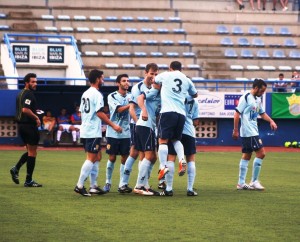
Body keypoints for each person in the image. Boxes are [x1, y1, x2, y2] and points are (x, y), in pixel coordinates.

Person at [74, 69, 122, 196]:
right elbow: (99, 112)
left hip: (86, 129)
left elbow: (81, 112)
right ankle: (79, 185)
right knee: (91, 158)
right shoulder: (97, 94)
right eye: (102, 78)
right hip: (92, 131)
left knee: (97, 156)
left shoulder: (85, 93)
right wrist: (113, 125)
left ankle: (93, 186)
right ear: (97, 79)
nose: (103, 80)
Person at [154, 61, 198, 196]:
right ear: (181, 68)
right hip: (182, 116)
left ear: (170, 68)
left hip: (168, 112)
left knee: (163, 140)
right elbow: (195, 94)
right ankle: (182, 160)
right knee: (175, 139)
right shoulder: (186, 79)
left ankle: (162, 167)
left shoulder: (166, 75)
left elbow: (154, 80)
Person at [118, 63, 159, 193]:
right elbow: (131, 108)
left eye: (156, 74)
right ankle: (125, 183)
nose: (153, 76)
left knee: (148, 155)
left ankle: (143, 183)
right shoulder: (138, 87)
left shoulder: (154, 87)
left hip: (146, 123)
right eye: (151, 74)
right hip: (138, 123)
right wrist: (138, 122)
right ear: (145, 73)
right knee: (136, 153)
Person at [233, 78, 277, 190]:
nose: (262, 93)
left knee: (247, 155)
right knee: (261, 153)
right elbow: (237, 114)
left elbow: (262, 114)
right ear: (256, 88)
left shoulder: (257, 99)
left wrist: (271, 121)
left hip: (253, 130)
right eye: (261, 91)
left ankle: (241, 183)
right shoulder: (246, 97)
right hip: (249, 131)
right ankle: (254, 181)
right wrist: (235, 130)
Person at [162, 96, 200, 196]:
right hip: (189, 132)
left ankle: (169, 189)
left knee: (171, 158)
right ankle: (190, 189)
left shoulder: (176, 97)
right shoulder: (194, 101)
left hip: (176, 130)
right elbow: (196, 121)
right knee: (191, 159)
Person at [10, 73, 42, 187]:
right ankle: (28, 180)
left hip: (22, 126)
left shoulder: (21, 94)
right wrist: (36, 117)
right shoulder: (28, 94)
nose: (35, 84)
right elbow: (25, 110)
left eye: (36, 81)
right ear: (26, 83)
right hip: (28, 126)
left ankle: (16, 169)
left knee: (30, 152)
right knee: (33, 153)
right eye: (32, 82)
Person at [103, 74, 132, 192]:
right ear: (118, 83)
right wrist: (131, 104)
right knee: (112, 157)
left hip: (126, 132)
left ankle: (122, 184)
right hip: (113, 132)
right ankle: (108, 182)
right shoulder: (112, 96)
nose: (126, 83)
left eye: (128, 81)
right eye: (124, 81)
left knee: (125, 158)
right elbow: (119, 109)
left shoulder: (131, 96)